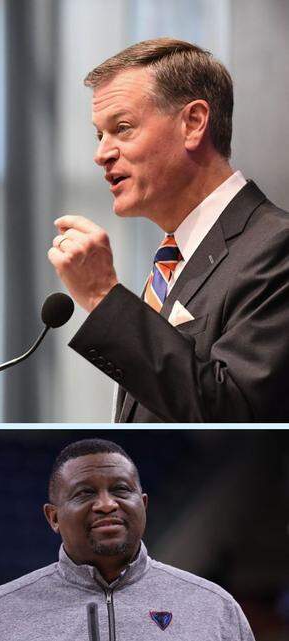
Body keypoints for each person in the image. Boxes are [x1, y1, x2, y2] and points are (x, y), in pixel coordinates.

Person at [47, 38, 289, 421]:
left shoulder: (276, 247)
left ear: (193, 123)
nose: (101, 154)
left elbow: (236, 418)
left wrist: (101, 295)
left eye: (122, 128)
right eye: (99, 135)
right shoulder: (172, 261)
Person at [0, 438, 254, 640]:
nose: (106, 504)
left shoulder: (215, 607)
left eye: (121, 490)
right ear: (54, 517)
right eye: (85, 493)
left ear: (144, 505)